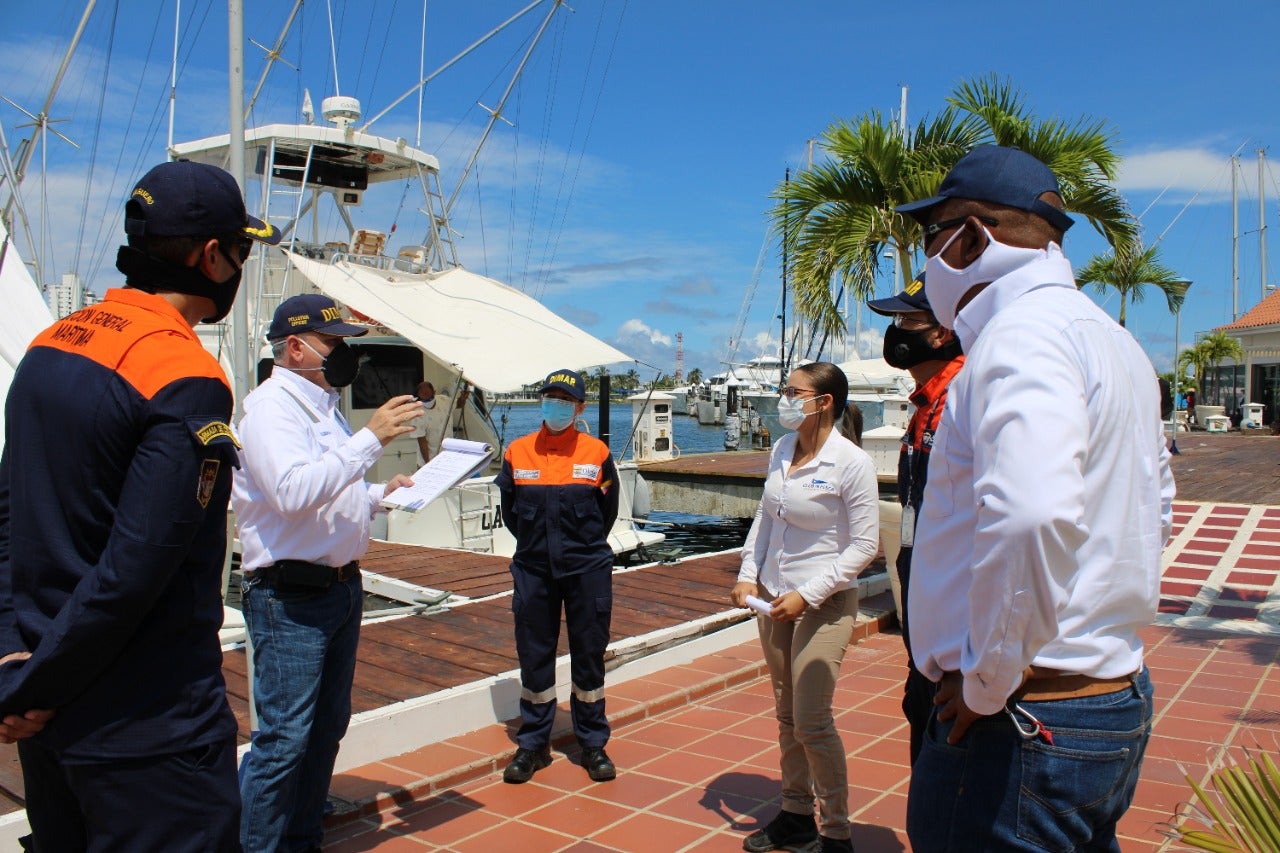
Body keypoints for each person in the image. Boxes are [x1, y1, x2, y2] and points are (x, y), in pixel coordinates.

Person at [896, 145, 1174, 850]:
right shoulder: (1114, 341)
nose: (927, 258)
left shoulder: (1018, 337)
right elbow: (1156, 501)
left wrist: (990, 678)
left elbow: (1032, 514)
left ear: (972, 238)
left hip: (1019, 724)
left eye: (932, 237)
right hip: (1109, 694)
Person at [0, 159, 281, 850]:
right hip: (147, 730)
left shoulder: (47, 345)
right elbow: (135, 570)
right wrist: (33, 684)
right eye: (242, 250)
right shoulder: (184, 376)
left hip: (47, 713)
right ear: (211, 258)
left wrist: (15, 663)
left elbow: (12, 515)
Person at [233, 292, 422, 851]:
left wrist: (378, 495)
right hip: (290, 598)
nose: (345, 356)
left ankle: (300, 838)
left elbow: (328, 488)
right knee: (284, 740)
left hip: (339, 589)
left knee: (323, 731)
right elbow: (291, 493)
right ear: (295, 347)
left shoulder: (322, 404)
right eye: (335, 343)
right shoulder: (270, 409)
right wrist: (371, 440)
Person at [731, 362, 879, 853]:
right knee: (787, 714)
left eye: (793, 391)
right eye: (784, 389)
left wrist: (808, 595)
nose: (784, 399)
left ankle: (836, 832)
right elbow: (765, 517)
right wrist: (747, 574)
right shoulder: (781, 449)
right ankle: (796, 814)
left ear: (824, 402)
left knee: (812, 719)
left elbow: (864, 547)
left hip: (825, 602)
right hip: (773, 599)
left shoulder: (851, 463)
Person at [496, 368, 620, 784]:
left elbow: (608, 512)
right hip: (533, 570)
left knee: (589, 654)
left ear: (580, 408)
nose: (556, 406)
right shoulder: (517, 452)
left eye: (565, 401)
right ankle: (533, 745)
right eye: (550, 398)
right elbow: (510, 512)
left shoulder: (597, 453)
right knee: (534, 656)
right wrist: (538, 549)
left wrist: (578, 549)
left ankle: (592, 742)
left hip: (587, 569)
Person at [867, 274, 964, 766]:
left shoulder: (962, 403)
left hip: (956, 649)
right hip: (927, 634)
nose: (896, 330)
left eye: (907, 320)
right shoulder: (927, 404)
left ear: (942, 331)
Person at [411, 380, 449, 463]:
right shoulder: (417, 413)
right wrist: (428, 464)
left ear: (434, 392)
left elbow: (458, 404)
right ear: (418, 396)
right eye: (423, 396)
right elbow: (422, 442)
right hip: (429, 460)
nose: (427, 399)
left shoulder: (444, 400)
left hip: (447, 457)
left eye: (428, 395)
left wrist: (463, 398)